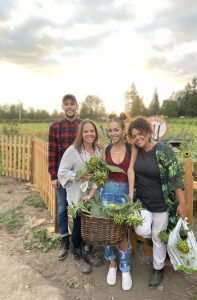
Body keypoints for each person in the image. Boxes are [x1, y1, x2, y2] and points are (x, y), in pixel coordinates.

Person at [127, 116, 186, 288]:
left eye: (141, 133)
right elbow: (131, 170)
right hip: (142, 202)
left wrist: (182, 204)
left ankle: (158, 268)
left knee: (158, 236)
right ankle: (155, 242)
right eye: (134, 135)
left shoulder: (163, 150)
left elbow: (175, 177)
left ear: (148, 131)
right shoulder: (136, 150)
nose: (138, 138)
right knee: (142, 229)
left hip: (161, 204)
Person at [58, 119, 103, 274]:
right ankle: (76, 252)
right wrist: (79, 175)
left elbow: (99, 172)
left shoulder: (98, 150)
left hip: (92, 195)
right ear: (81, 134)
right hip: (78, 195)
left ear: (96, 133)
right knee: (78, 224)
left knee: (89, 225)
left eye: (92, 131)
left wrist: (94, 189)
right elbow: (61, 172)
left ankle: (86, 250)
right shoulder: (73, 150)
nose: (89, 134)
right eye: (86, 131)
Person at [100, 116, 136, 291]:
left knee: (122, 233)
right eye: (110, 130)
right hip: (107, 192)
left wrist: (130, 195)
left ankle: (125, 267)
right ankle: (112, 264)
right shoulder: (105, 149)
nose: (113, 133)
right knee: (108, 232)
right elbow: (102, 174)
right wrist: (94, 192)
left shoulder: (131, 148)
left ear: (123, 130)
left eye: (116, 129)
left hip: (123, 193)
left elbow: (130, 171)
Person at [48, 94, 80, 261]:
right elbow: (52, 153)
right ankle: (64, 240)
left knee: (78, 209)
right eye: (66, 104)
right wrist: (54, 176)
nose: (69, 107)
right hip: (62, 177)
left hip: (80, 177)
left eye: (72, 104)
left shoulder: (82, 126)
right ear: (62, 106)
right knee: (62, 209)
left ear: (76, 106)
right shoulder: (56, 127)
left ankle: (78, 241)